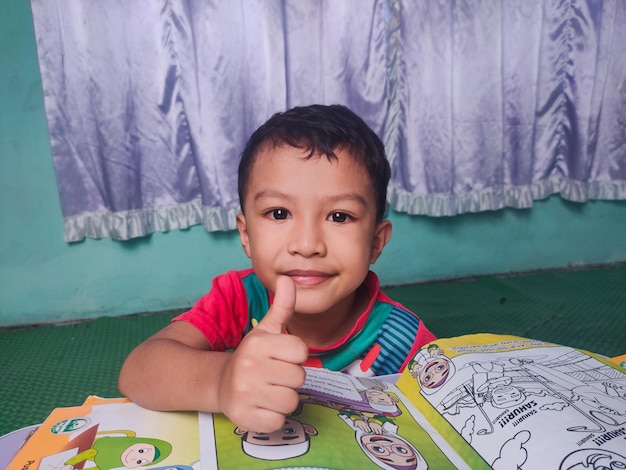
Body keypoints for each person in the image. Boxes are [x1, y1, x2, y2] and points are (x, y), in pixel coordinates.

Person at [118, 104, 435, 433]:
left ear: (375, 242)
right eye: (279, 213)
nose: (307, 244)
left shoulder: (404, 338)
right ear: (246, 236)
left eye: (340, 216)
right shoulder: (240, 297)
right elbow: (139, 369)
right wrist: (222, 382)